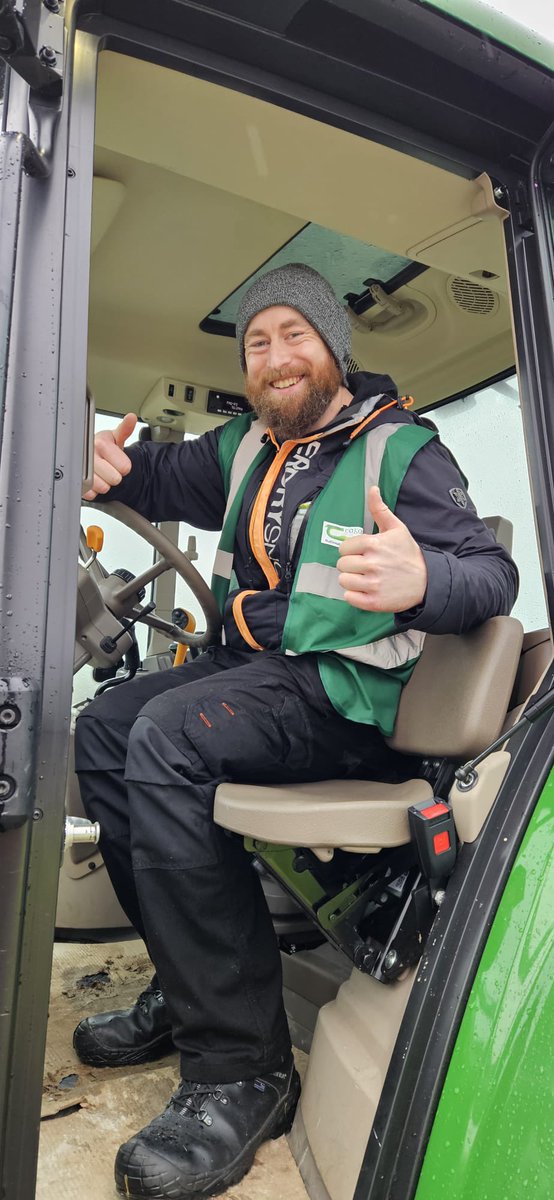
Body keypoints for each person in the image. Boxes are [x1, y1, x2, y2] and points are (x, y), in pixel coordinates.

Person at [74, 263, 517, 1199]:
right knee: (106, 728)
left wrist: (424, 582)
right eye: (257, 343)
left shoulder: (401, 451)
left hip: (347, 697)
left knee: (166, 737)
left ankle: (243, 1071)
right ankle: (184, 980)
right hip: (257, 679)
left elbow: (490, 576)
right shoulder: (246, 446)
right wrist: (101, 464)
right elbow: (152, 472)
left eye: (293, 336)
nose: (275, 358)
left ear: (332, 349)